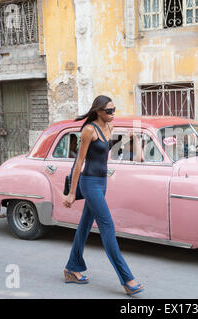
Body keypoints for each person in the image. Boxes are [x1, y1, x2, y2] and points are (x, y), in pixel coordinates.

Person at [62, 95, 144, 295]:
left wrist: (136, 139)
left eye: (114, 109)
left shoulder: (110, 128)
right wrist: (72, 192)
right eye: (109, 111)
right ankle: (127, 279)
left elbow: (138, 157)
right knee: (107, 227)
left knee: (84, 226)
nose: (113, 113)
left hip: (102, 182)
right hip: (89, 183)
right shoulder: (89, 130)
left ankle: (72, 268)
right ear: (98, 111)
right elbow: (78, 163)